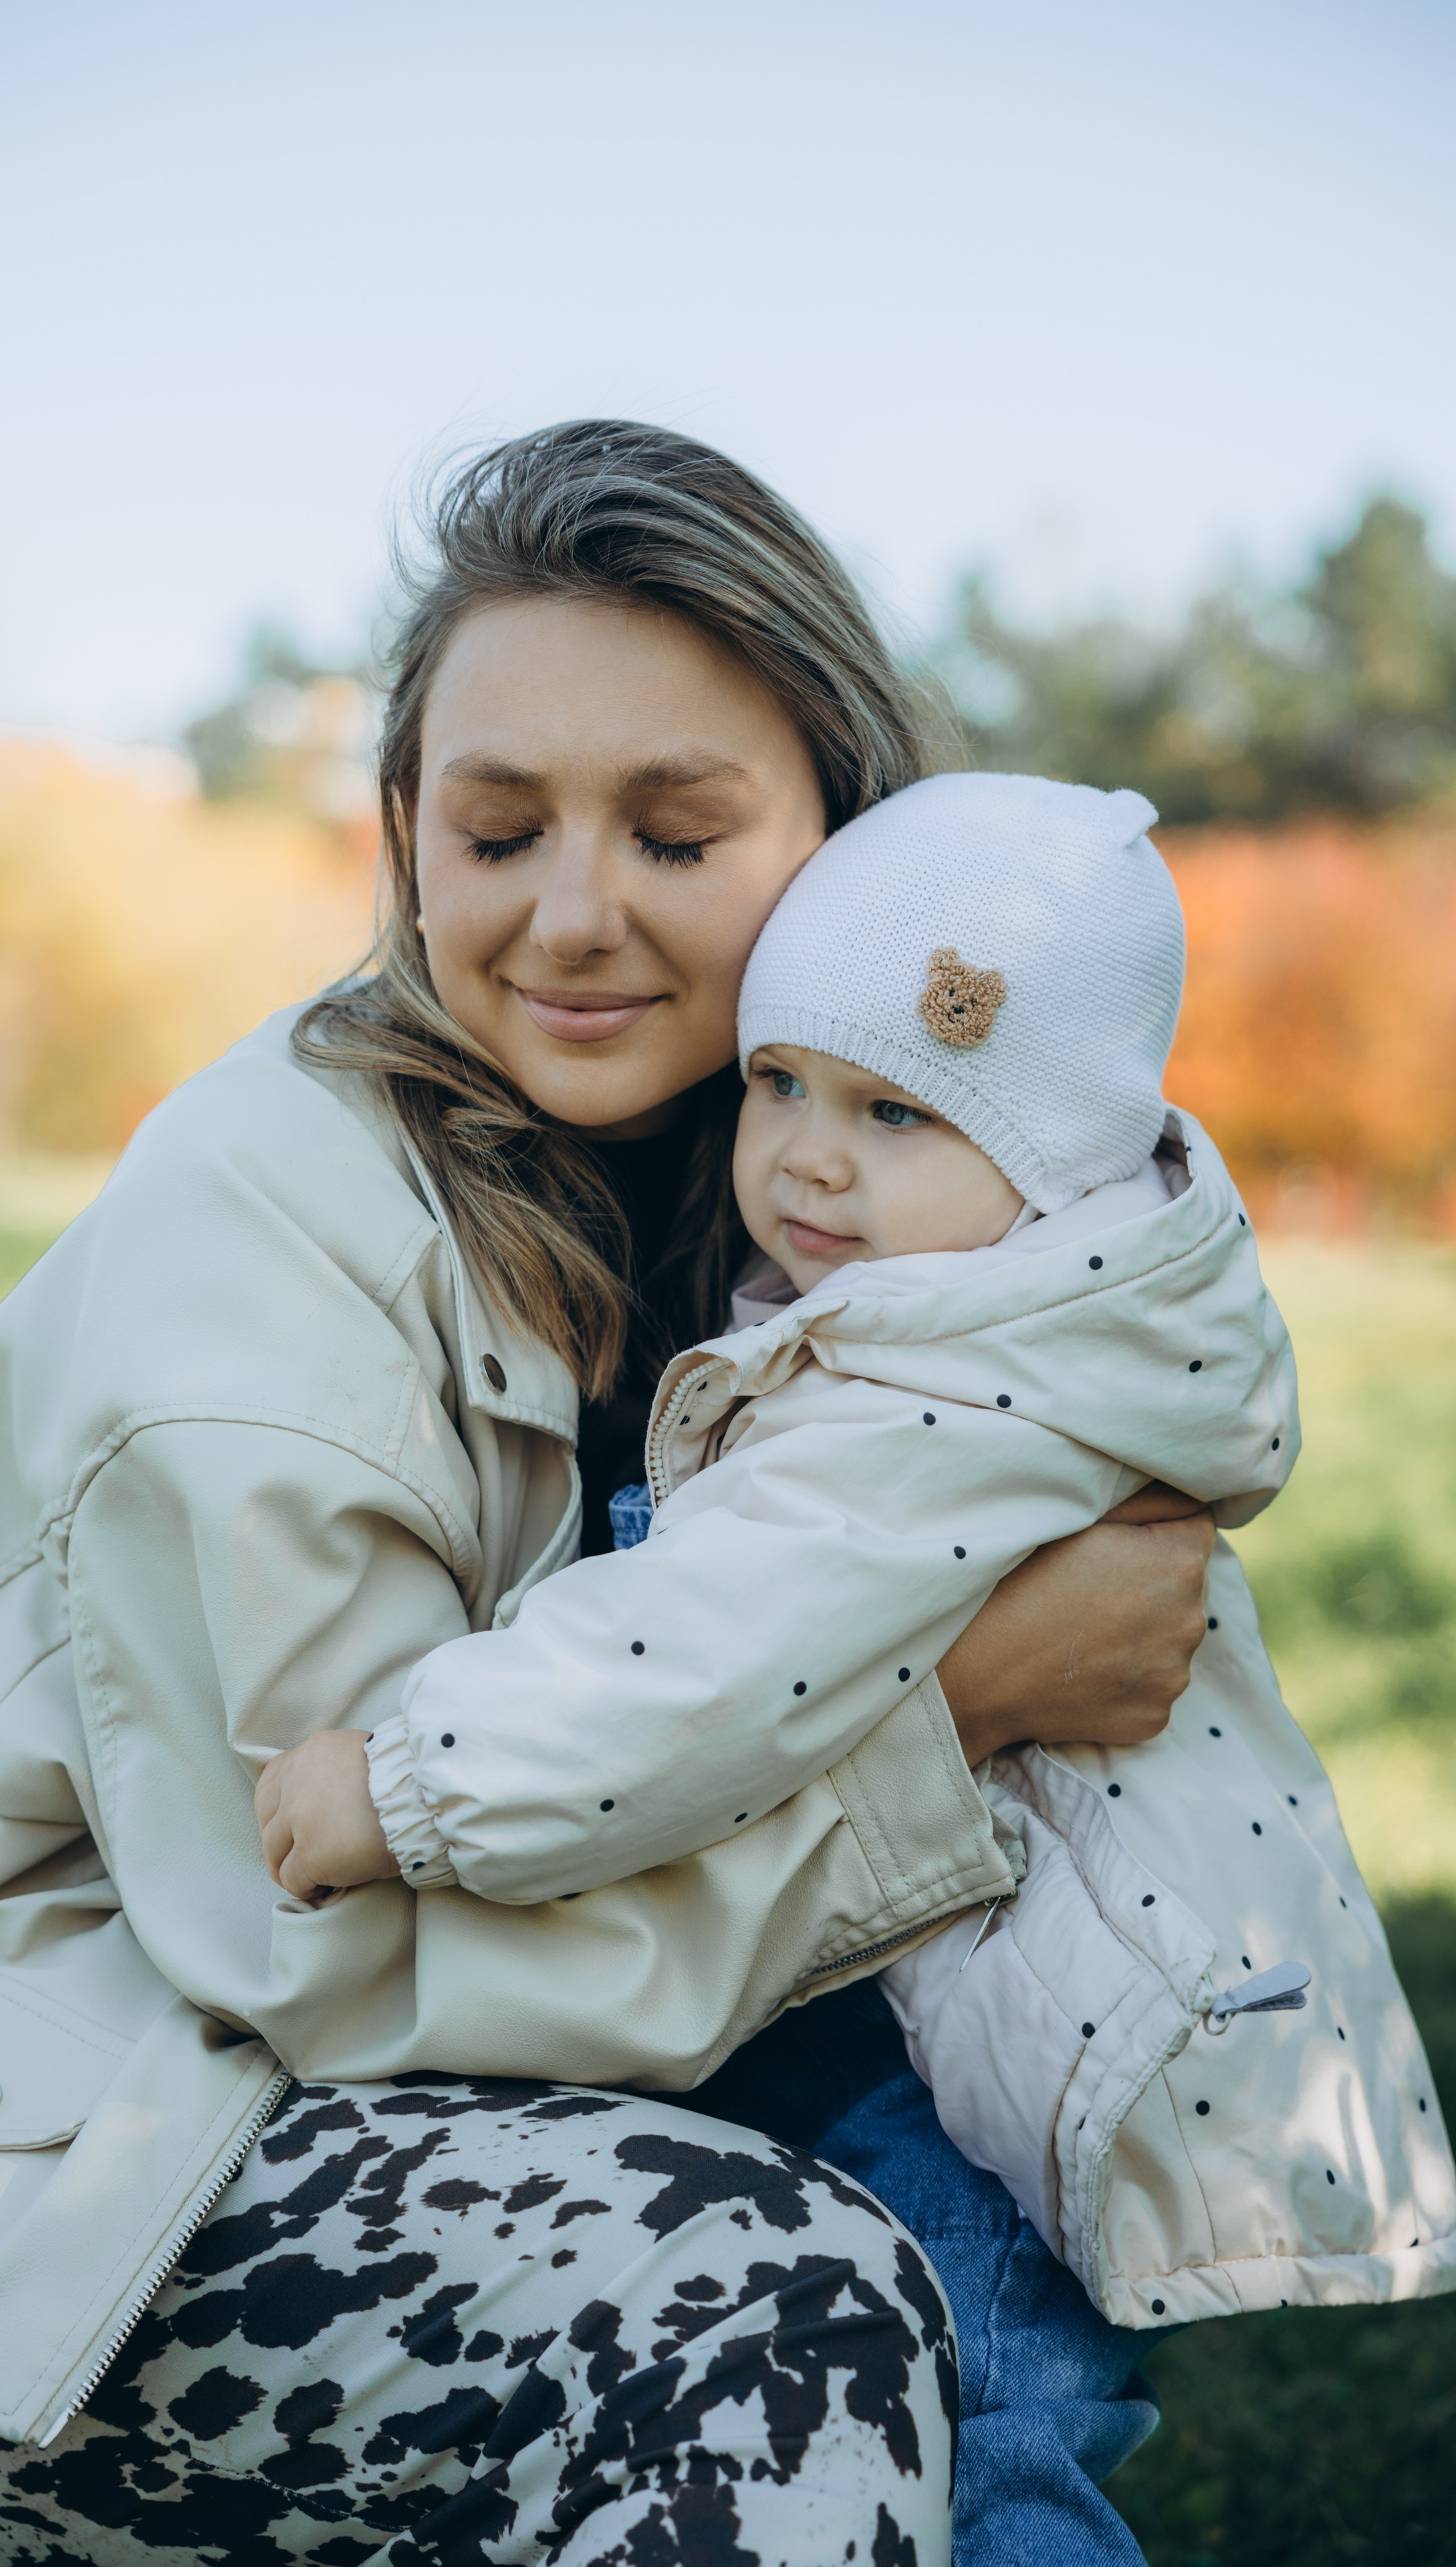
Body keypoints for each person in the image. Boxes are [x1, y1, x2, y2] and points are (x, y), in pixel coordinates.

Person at [0, 423, 1217, 2567]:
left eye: (677, 831)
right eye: (500, 827)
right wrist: (959, 1714)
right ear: (406, 838)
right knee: (771, 2306)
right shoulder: (264, 1274)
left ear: (844, 845)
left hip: (334, 2082)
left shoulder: (825, 1192)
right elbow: (332, 1962)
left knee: (967, 2150)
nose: (573, 913)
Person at [261, 768, 1452, 2362]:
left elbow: (702, 1662)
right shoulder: (1030, 1306)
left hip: (985, 2051)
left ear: (1054, 1158)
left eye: (894, 1111)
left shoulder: (934, 1398)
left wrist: (410, 1789)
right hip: (987, 1993)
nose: (808, 1162)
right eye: (779, 1084)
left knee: (972, 2430)